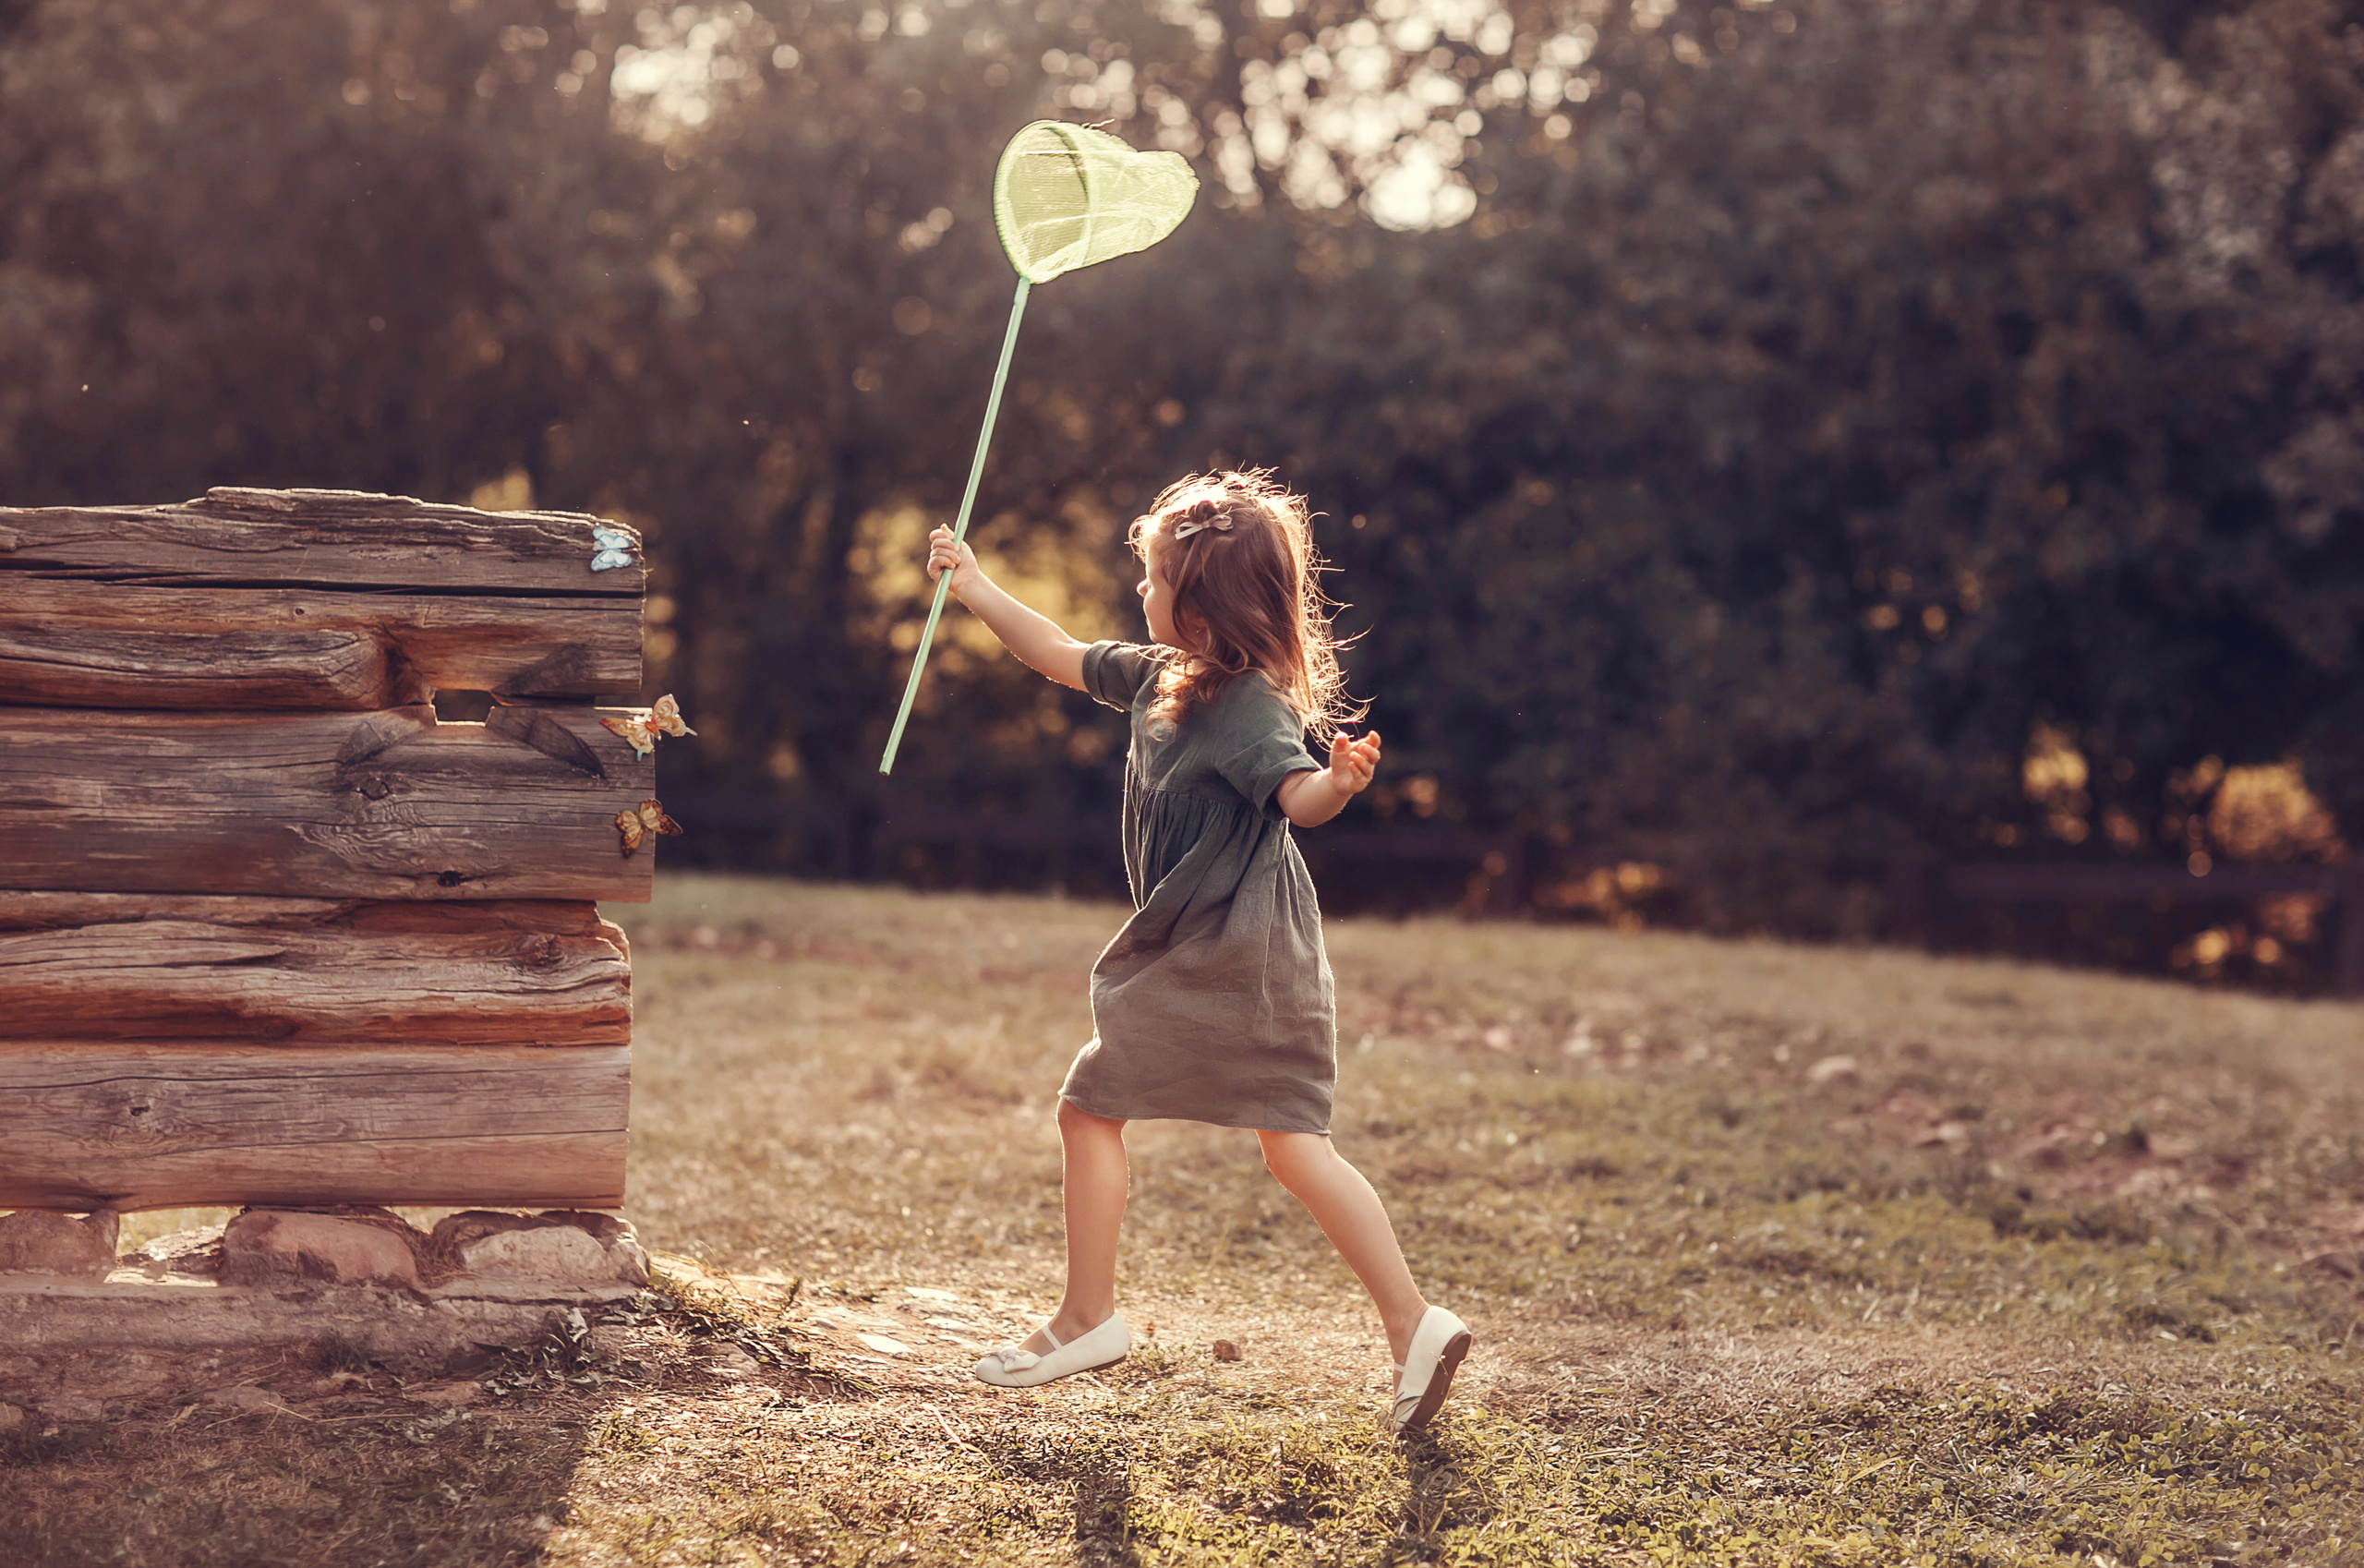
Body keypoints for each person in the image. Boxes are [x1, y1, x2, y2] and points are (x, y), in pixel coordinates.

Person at [921, 468, 1471, 1432]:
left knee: (1091, 1110)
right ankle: (1414, 1325)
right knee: (1293, 1147)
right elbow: (1053, 650)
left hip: (1230, 952)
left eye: (1155, 576)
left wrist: (1339, 784)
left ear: (1202, 605)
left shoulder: (1250, 706)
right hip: (1239, 957)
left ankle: (1087, 1319)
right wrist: (972, 584)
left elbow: (1298, 798)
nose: (1140, 587)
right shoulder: (1155, 676)